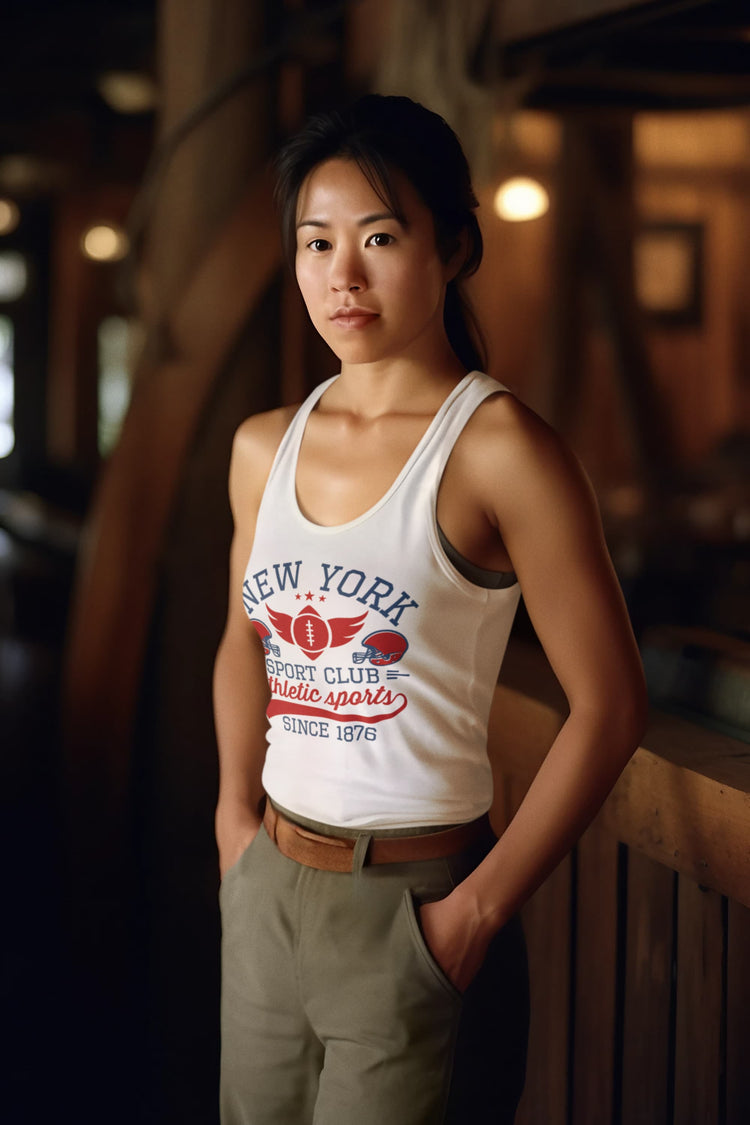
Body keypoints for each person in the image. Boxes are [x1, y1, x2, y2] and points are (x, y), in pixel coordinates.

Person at [213, 94, 647, 1125]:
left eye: (379, 237)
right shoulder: (262, 444)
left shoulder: (500, 449)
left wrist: (476, 912)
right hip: (268, 883)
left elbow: (613, 705)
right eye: (317, 242)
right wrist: (234, 821)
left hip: (417, 902)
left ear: (453, 248)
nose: (341, 274)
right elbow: (241, 642)